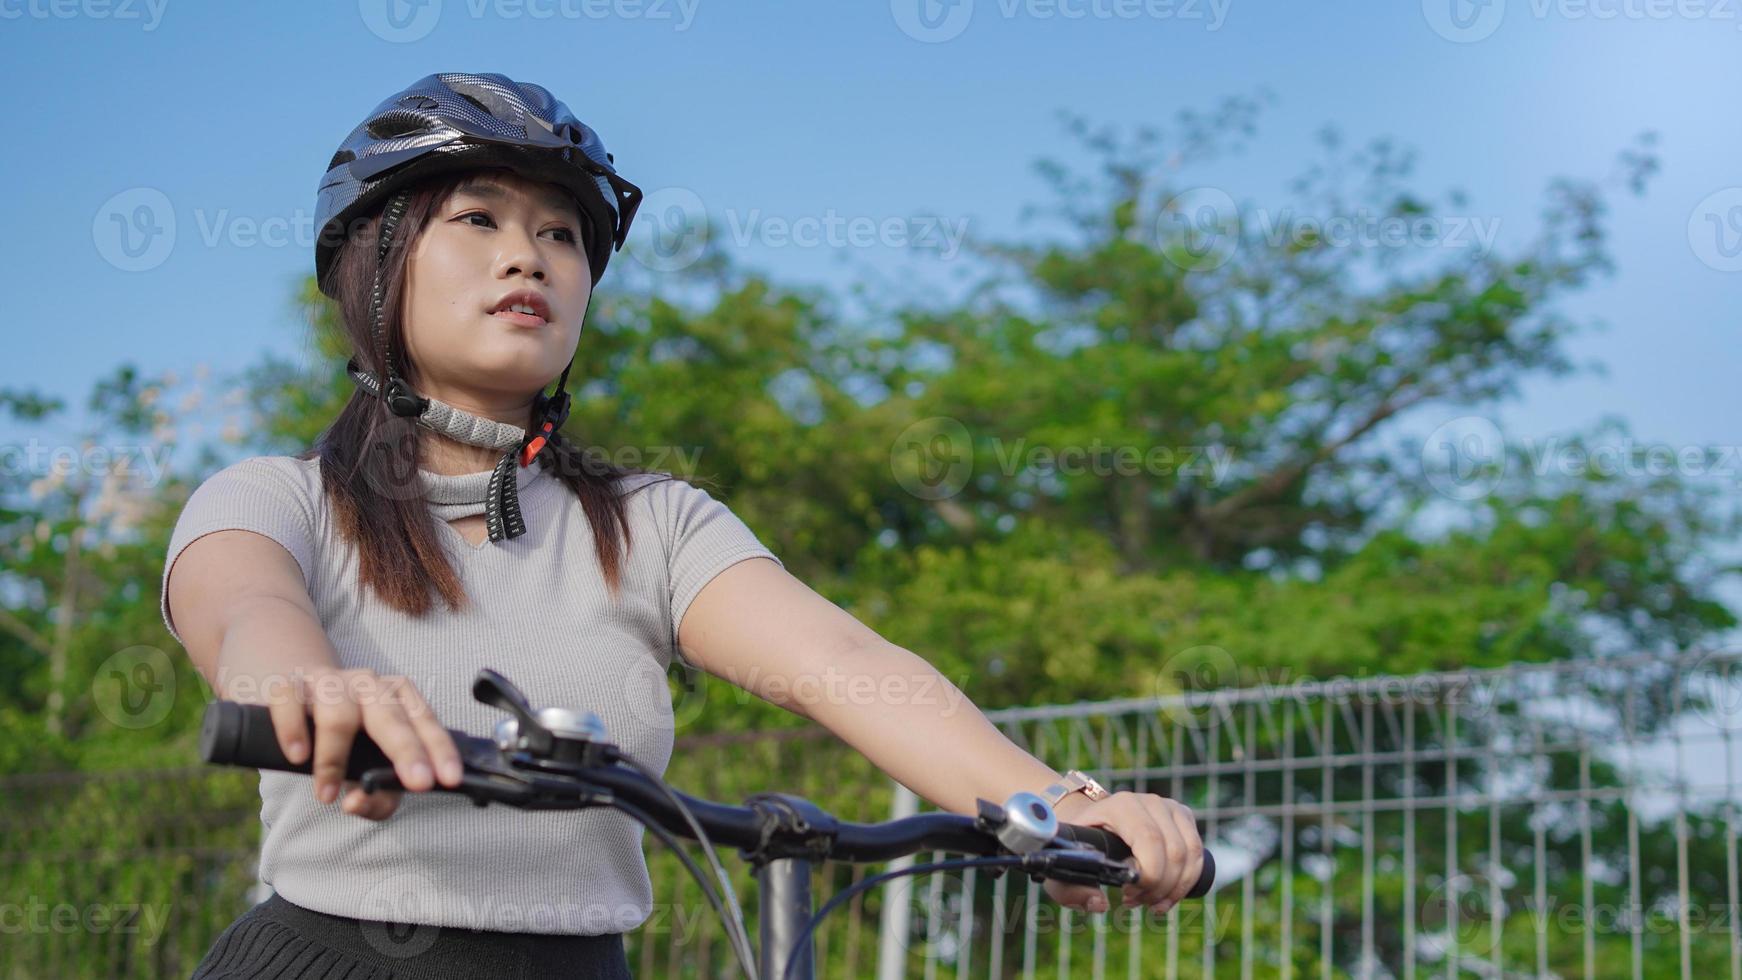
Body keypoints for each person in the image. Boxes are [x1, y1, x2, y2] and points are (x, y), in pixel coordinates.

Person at [164, 72, 1204, 980]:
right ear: (376, 265)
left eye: (559, 234)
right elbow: (246, 609)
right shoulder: (277, 497)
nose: (527, 256)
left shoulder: (649, 521)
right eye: (477, 219)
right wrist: (308, 686)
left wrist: (1049, 801)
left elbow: (843, 655)